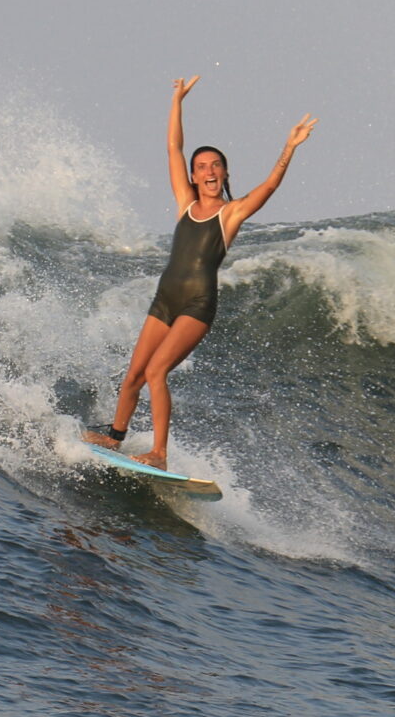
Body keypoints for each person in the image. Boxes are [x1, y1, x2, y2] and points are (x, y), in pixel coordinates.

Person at [86, 76, 318, 467]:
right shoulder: (185, 204)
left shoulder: (232, 213)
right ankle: (114, 438)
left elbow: (270, 186)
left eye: (216, 166)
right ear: (194, 176)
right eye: (202, 167)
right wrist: (177, 100)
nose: (208, 171)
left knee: (157, 371)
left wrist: (288, 148)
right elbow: (173, 147)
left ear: (225, 174)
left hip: (197, 304)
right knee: (133, 376)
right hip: (165, 299)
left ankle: (159, 453)